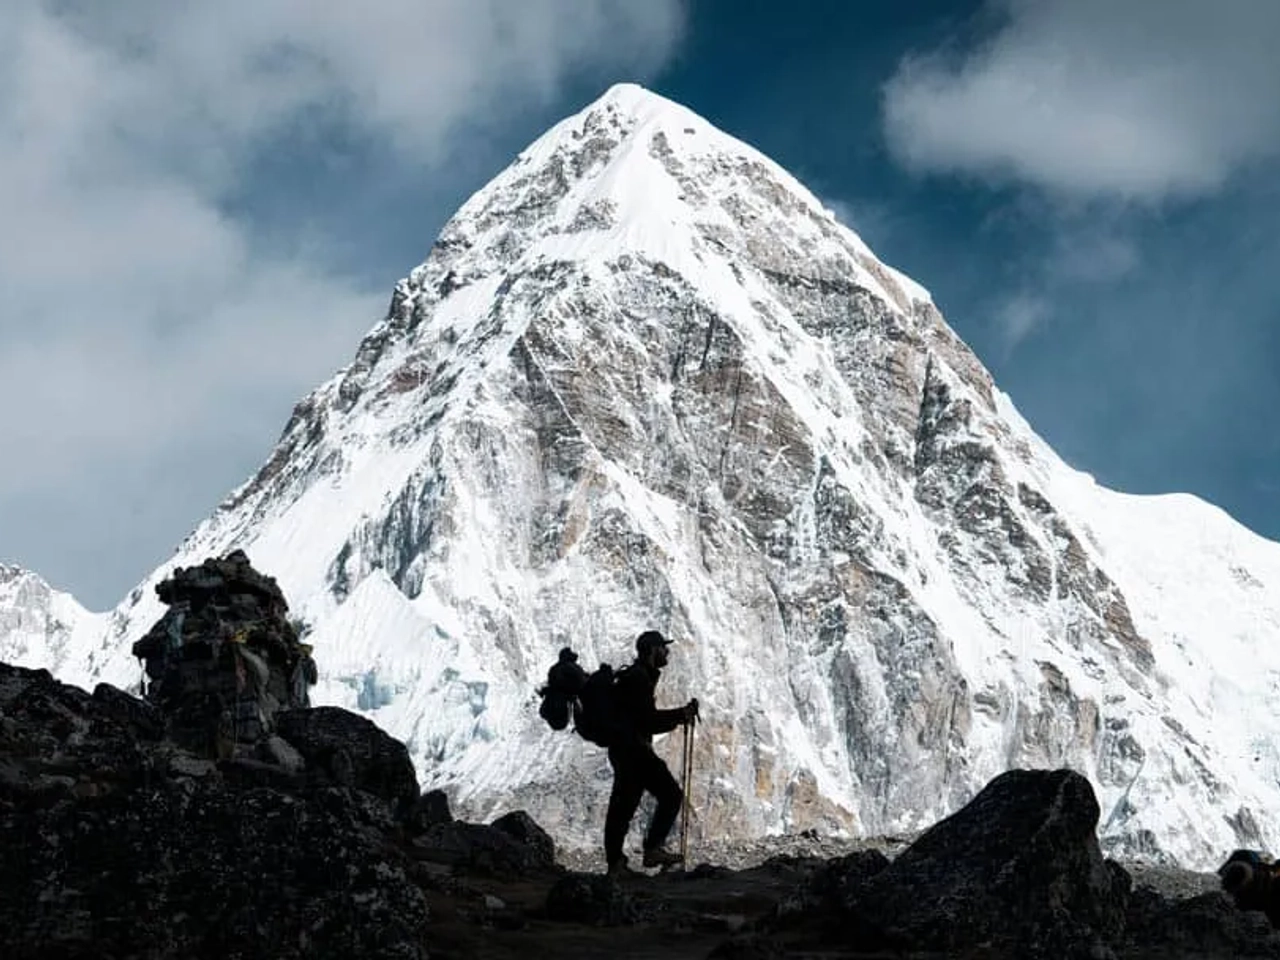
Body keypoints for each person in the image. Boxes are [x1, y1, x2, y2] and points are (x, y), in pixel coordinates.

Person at [604, 629, 699, 876]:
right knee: (670, 795)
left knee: (623, 806)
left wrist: (677, 716)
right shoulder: (638, 679)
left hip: (625, 750)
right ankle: (652, 850)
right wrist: (681, 715)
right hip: (634, 750)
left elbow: (644, 719)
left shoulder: (638, 676)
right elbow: (647, 721)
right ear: (653, 650)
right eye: (663, 648)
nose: (667, 652)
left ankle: (616, 864)